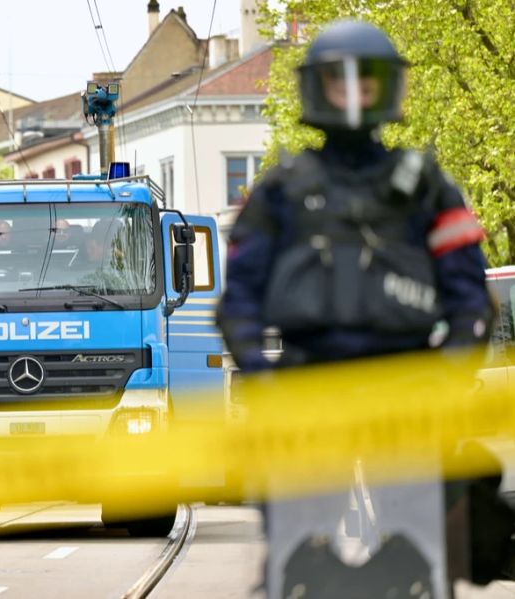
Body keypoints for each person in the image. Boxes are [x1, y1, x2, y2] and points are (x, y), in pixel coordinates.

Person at [216, 20, 496, 598]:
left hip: (406, 396)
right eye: (338, 83)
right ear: (317, 90)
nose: (352, 95)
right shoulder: (282, 190)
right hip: (308, 395)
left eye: (364, 83)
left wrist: (447, 376)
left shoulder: (425, 188)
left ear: (387, 89)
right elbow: (238, 300)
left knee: (422, 568)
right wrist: (265, 379)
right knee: (294, 568)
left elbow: (472, 301)